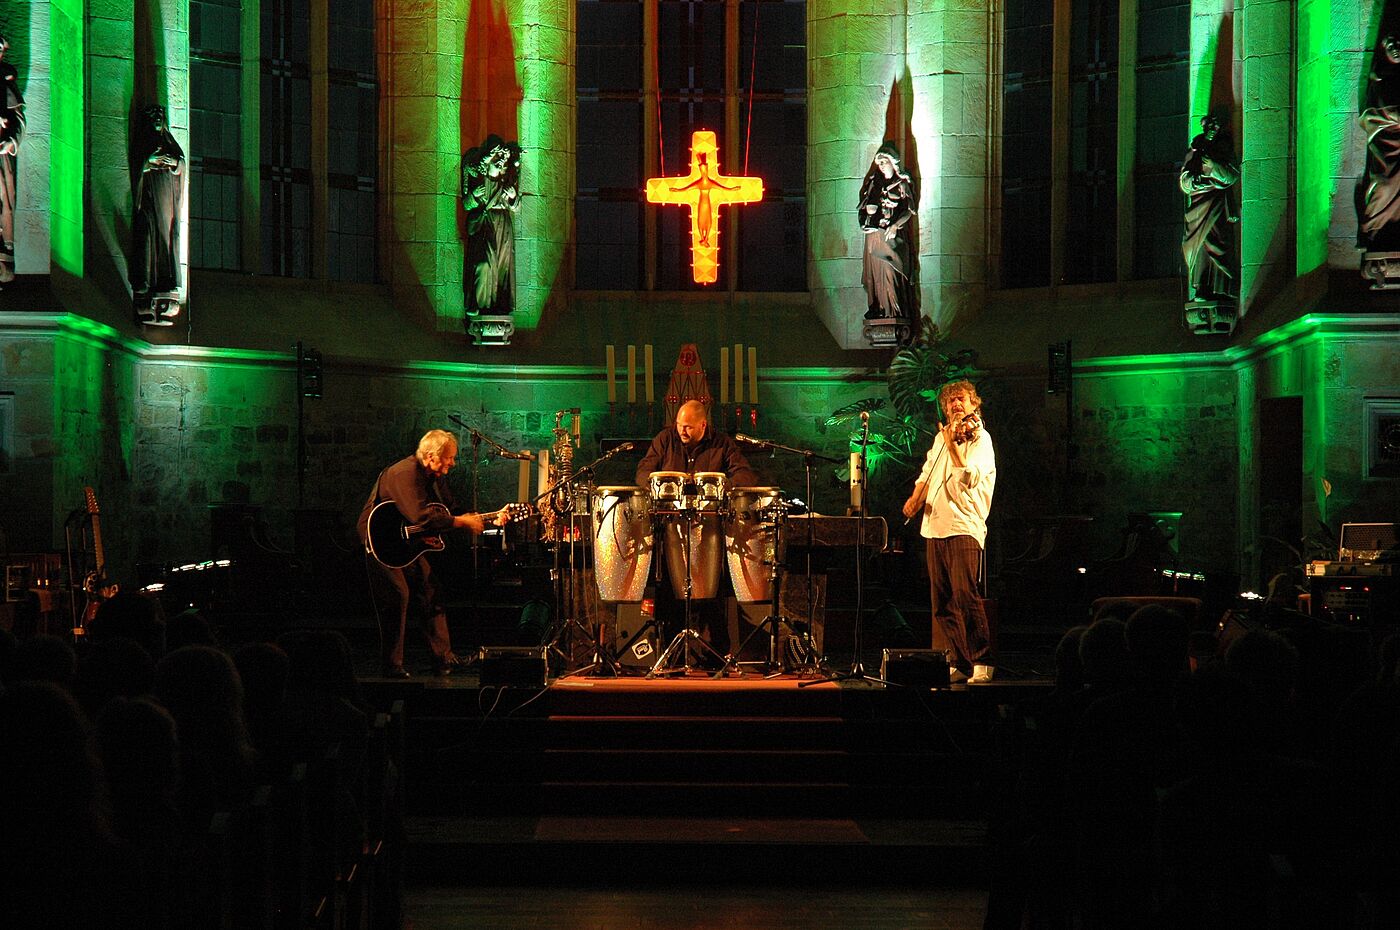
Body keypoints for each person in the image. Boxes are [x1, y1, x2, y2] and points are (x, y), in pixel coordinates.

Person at [357, 429, 504, 677]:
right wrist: (461, 522)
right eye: (449, 457)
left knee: (430, 589)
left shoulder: (434, 477)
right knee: (398, 594)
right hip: (380, 540)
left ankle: (443, 659)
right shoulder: (405, 472)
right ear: (432, 456)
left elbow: (452, 511)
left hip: (407, 543)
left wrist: (489, 519)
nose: (452, 462)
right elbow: (420, 516)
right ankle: (391, 665)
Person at [902, 380, 996, 683]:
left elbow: (969, 477)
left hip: (964, 526)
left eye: (961, 399)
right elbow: (928, 471)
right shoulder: (942, 439)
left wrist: (955, 446)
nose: (956, 404)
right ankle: (960, 661)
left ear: (974, 405)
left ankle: (983, 660)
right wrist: (915, 498)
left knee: (965, 594)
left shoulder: (981, 439)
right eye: (950, 401)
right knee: (941, 603)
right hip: (935, 526)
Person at [131, 104, 186, 324]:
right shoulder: (144, 142)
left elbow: (181, 163)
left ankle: (166, 289)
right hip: (150, 198)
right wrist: (148, 162)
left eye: (160, 116)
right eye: (153, 116)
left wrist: (175, 164)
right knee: (148, 238)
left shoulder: (169, 142)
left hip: (168, 205)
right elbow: (136, 164)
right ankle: (146, 290)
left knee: (166, 242)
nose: (157, 119)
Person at [1178, 114, 1239, 302]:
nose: (1212, 129)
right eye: (1209, 126)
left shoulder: (1224, 149)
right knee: (1198, 245)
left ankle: (1222, 288)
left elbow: (1231, 176)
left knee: (1216, 242)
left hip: (1216, 206)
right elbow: (1185, 180)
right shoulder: (1195, 150)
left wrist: (1213, 166)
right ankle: (1201, 286)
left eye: (1215, 126)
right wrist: (1198, 181)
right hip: (1198, 206)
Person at [635, 399, 758, 487]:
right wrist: (654, 485)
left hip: (710, 512)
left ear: (703, 425)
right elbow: (644, 470)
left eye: (688, 427)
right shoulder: (665, 439)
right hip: (668, 511)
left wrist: (724, 485)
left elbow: (745, 474)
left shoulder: (722, 443)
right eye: (679, 425)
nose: (681, 431)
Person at [858, 142, 915, 321]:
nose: (881, 165)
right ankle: (878, 308)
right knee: (875, 273)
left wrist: (895, 225)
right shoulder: (874, 183)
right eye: (879, 162)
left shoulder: (902, 183)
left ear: (892, 162)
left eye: (884, 161)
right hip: (875, 234)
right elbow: (865, 205)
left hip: (892, 236)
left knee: (891, 271)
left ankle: (895, 311)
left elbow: (909, 210)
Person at [1361, 33, 1400, 250]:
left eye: (1398, 44)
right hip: (1387, 145)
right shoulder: (1380, 81)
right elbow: (1371, 114)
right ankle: (1373, 229)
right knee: (1384, 185)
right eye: (1390, 44)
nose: (1395, 48)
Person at [0, 33, 24, 285]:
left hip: (1, 156)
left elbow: (18, 120)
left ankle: (4, 251)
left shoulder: (6, 84)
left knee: (3, 199)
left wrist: (11, 141)